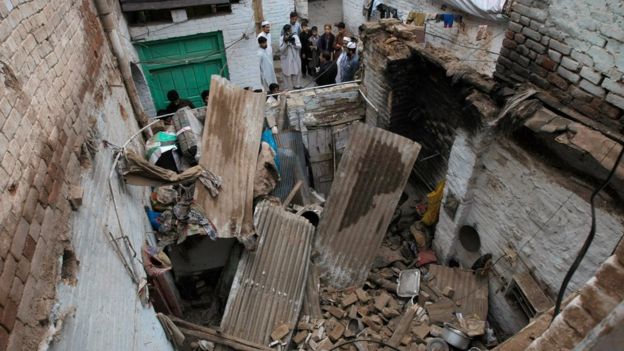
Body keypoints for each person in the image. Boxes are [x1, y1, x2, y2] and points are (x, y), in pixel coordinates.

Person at [279, 24, 302, 90]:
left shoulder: (295, 36)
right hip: (286, 59)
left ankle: (297, 86)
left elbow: (299, 46)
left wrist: (293, 44)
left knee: (296, 72)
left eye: (289, 30)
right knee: (286, 73)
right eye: (287, 30)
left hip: (295, 58)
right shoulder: (281, 38)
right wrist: (286, 43)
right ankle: (287, 88)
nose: (289, 31)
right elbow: (281, 49)